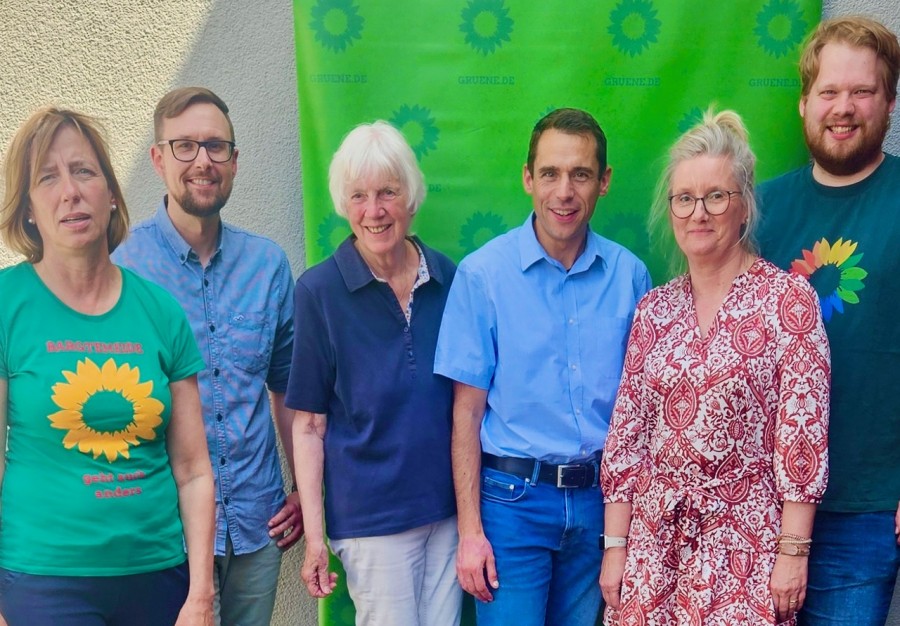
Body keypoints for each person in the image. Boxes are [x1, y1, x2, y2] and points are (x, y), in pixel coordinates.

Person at [599, 109, 830, 626]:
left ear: (744, 205)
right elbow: (627, 438)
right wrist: (616, 547)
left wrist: (793, 553)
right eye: (684, 199)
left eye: (715, 196)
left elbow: (802, 438)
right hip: (654, 551)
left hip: (745, 548)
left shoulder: (787, 302)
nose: (698, 213)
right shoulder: (655, 310)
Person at [434, 108, 651, 625]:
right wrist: (470, 533)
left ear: (604, 182)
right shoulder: (483, 276)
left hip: (601, 503)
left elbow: (644, 412)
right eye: (550, 173)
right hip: (512, 505)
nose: (564, 191)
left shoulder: (630, 277)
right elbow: (464, 416)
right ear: (528, 178)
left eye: (580, 174)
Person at [0, 107, 215, 625]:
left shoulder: (160, 311)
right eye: (47, 178)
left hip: (159, 579)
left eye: (84, 170)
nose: (70, 191)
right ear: (28, 208)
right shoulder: (7, 304)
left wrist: (201, 595)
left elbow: (193, 471)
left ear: (112, 193)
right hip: (42, 583)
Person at [112, 87, 299, 626]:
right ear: (157, 159)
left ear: (235, 162)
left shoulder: (268, 265)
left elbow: (284, 386)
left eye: (216, 147)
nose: (203, 162)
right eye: (185, 146)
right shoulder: (124, 270)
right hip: (165, 531)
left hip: (257, 524)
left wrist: (299, 491)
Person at [286, 121, 461, 626]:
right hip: (372, 524)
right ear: (344, 204)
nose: (374, 210)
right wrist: (315, 539)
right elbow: (309, 425)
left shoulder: (447, 278)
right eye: (359, 195)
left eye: (388, 191)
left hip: (447, 513)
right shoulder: (318, 293)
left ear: (411, 196)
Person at [756, 15, 900, 626]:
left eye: (862, 92)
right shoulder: (759, 210)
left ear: (889, 102)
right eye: (829, 92)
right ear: (803, 104)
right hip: (757, 505)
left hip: (864, 507)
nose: (844, 108)